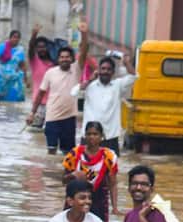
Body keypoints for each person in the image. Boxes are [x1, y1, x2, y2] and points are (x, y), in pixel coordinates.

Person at [26, 21, 89, 154]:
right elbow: (40, 94)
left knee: (68, 153)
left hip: (69, 119)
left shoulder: (76, 69)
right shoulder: (51, 72)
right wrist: (32, 112)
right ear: (58, 59)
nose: (64, 59)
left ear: (71, 58)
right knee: (51, 153)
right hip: (51, 117)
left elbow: (83, 52)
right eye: (61, 57)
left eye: (67, 57)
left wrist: (84, 34)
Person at [71, 54, 137, 155]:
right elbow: (73, 92)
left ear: (113, 72)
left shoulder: (118, 86)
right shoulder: (90, 86)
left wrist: (127, 63)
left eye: (109, 69)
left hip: (110, 137)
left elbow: (134, 76)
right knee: (84, 166)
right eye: (103, 69)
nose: (105, 71)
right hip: (89, 136)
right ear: (98, 70)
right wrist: (89, 80)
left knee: (110, 169)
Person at [62, 121, 121, 222]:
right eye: (89, 134)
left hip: (99, 202)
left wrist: (115, 207)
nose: (91, 137)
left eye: (95, 134)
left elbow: (112, 184)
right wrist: (72, 176)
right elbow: (63, 180)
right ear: (85, 136)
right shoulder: (74, 154)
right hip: (75, 202)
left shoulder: (109, 156)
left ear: (101, 136)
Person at [0, 30, 28, 102]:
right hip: (2, 78)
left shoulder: (20, 50)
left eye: (18, 38)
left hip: (15, 78)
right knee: (3, 99)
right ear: (10, 38)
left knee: (16, 99)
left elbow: (23, 65)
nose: (16, 39)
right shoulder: (2, 47)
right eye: (14, 37)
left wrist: (26, 79)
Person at [27, 24, 55, 128]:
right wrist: (34, 35)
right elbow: (30, 48)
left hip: (53, 103)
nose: (41, 49)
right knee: (35, 132)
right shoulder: (34, 60)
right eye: (39, 47)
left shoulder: (54, 64)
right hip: (38, 104)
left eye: (43, 47)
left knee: (50, 132)